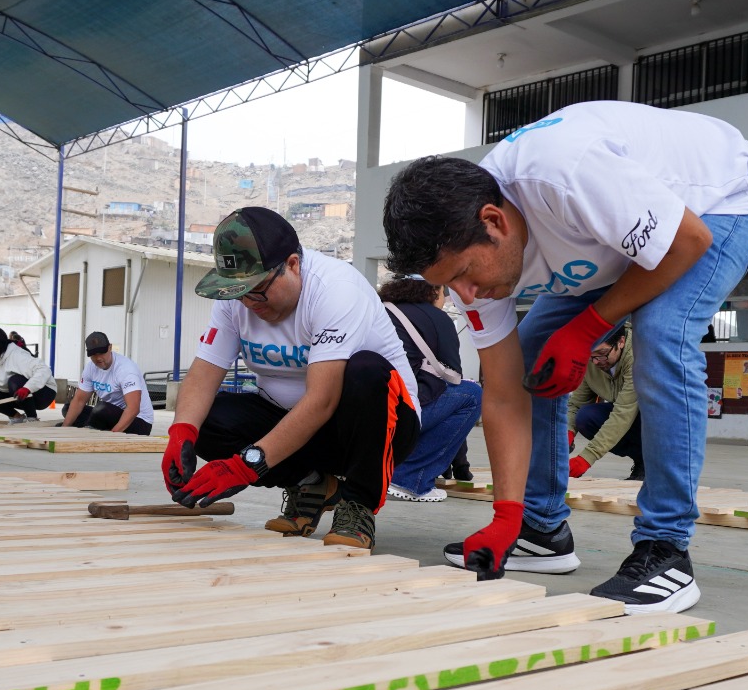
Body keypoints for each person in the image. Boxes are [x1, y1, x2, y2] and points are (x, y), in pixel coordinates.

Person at [382, 101, 748, 613]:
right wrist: (505, 514)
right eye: (449, 285)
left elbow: (686, 242)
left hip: (719, 204)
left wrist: (588, 327)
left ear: (494, 221)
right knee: (532, 356)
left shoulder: (566, 174)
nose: (467, 294)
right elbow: (501, 393)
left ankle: (666, 549)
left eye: (464, 274)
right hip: (611, 238)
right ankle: (539, 528)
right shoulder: (474, 260)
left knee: (662, 335)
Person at [164, 207, 420, 550]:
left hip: (373, 428)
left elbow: (322, 400)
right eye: (239, 292)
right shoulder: (237, 300)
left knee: (366, 371)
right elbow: (205, 371)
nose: (249, 303)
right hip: (296, 427)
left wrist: (246, 465)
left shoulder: (336, 289)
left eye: (257, 290)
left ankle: (357, 505)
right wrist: (181, 433)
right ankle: (312, 484)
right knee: (206, 418)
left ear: (293, 265)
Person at [378, 276, 482, 503]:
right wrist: (459, 465)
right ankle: (410, 479)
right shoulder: (438, 319)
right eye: (444, 293)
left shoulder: (376, 309)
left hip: (356, 413)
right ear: (434, 292)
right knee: (471, 394)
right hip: (397, 414)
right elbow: (454, 383)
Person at [567, 323, 644, 481]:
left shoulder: (638, 356)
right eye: (591, 356)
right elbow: (576, 404)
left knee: (651, 418)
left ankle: (654, 463)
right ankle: (642, 459)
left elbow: (623, 413)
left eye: (601, 354)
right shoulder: (592, 359)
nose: (595, 362)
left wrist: (586, 458)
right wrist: (566, 435)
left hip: (658, 421)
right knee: (586, 417)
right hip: (627, 413)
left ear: (621, 342)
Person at [63, 331, 154, 435]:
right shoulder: (90, 368)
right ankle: (94, 427)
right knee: (68, 409)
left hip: (139, 422)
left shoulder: (126, 369)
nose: (98, 358)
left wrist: (112, 435)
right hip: (110, 415)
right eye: (93, 354)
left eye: (101, 353)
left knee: (101, 409)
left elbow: (133, 408)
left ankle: (96, 429)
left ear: (110, 348)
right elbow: (79, 401)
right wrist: (64, 428)